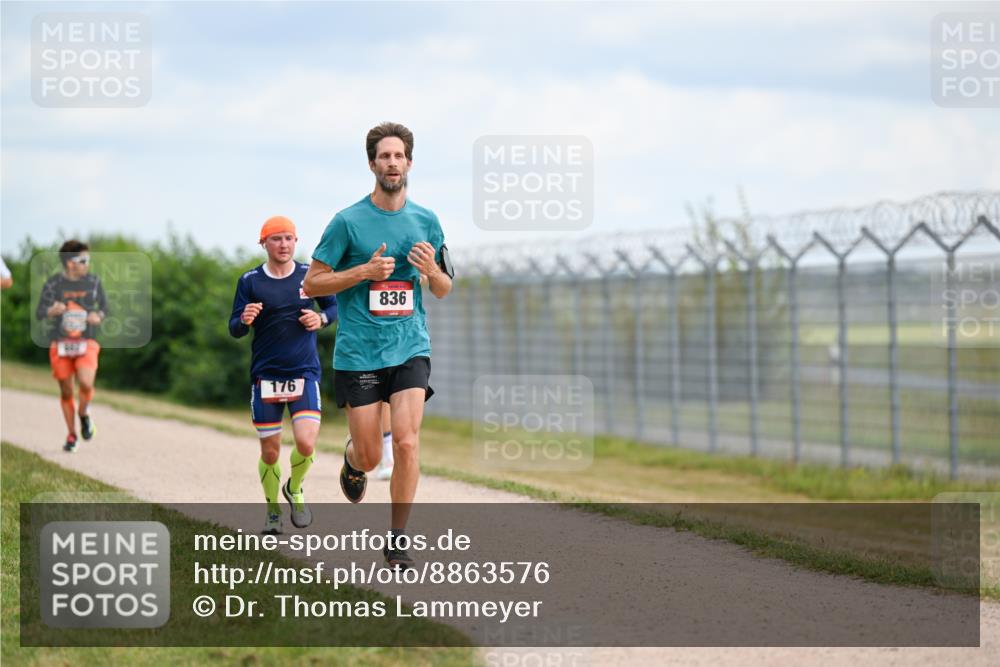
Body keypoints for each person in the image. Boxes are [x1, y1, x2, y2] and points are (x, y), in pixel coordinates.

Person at [304, 122, 453, 569]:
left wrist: (431, 272)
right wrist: (362, 273)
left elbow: (444, 288)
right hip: (359, 353)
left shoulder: (427, 220)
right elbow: (313, 282)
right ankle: (353, 459)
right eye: (384, 156)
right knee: (371, 456)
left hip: (409, 346)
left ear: (409, 162)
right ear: (372, 164)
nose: (392, 163)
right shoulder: (347, 222)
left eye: (399, 155)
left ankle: (398, 537)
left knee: (406, 443)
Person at [229, 216, 338, 535]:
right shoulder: (250, 281)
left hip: (304, 373)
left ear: (296, 241)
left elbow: (334, 308)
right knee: (271, 451)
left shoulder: (310, 275)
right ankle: (273, 509)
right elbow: (234, 327)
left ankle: (296, 488)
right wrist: (244, 319)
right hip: (266, 376)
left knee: (306, 443)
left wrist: (320, 319)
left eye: (289, 238)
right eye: (276, 239)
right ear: (264, 243)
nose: (284, 244)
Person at [35, 240, 107, 452]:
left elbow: (104, 308)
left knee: (85, 382)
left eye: (88, 260)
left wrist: (97, 316)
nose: (87, 264)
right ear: (69, 263)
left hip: (87, 341)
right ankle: (71, 435)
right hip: (61, 343)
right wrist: (51, 310)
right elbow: (40, 312)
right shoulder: (53, 284)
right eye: (82, 260)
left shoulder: (93, 282)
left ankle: (84, 414)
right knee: (67, 391)